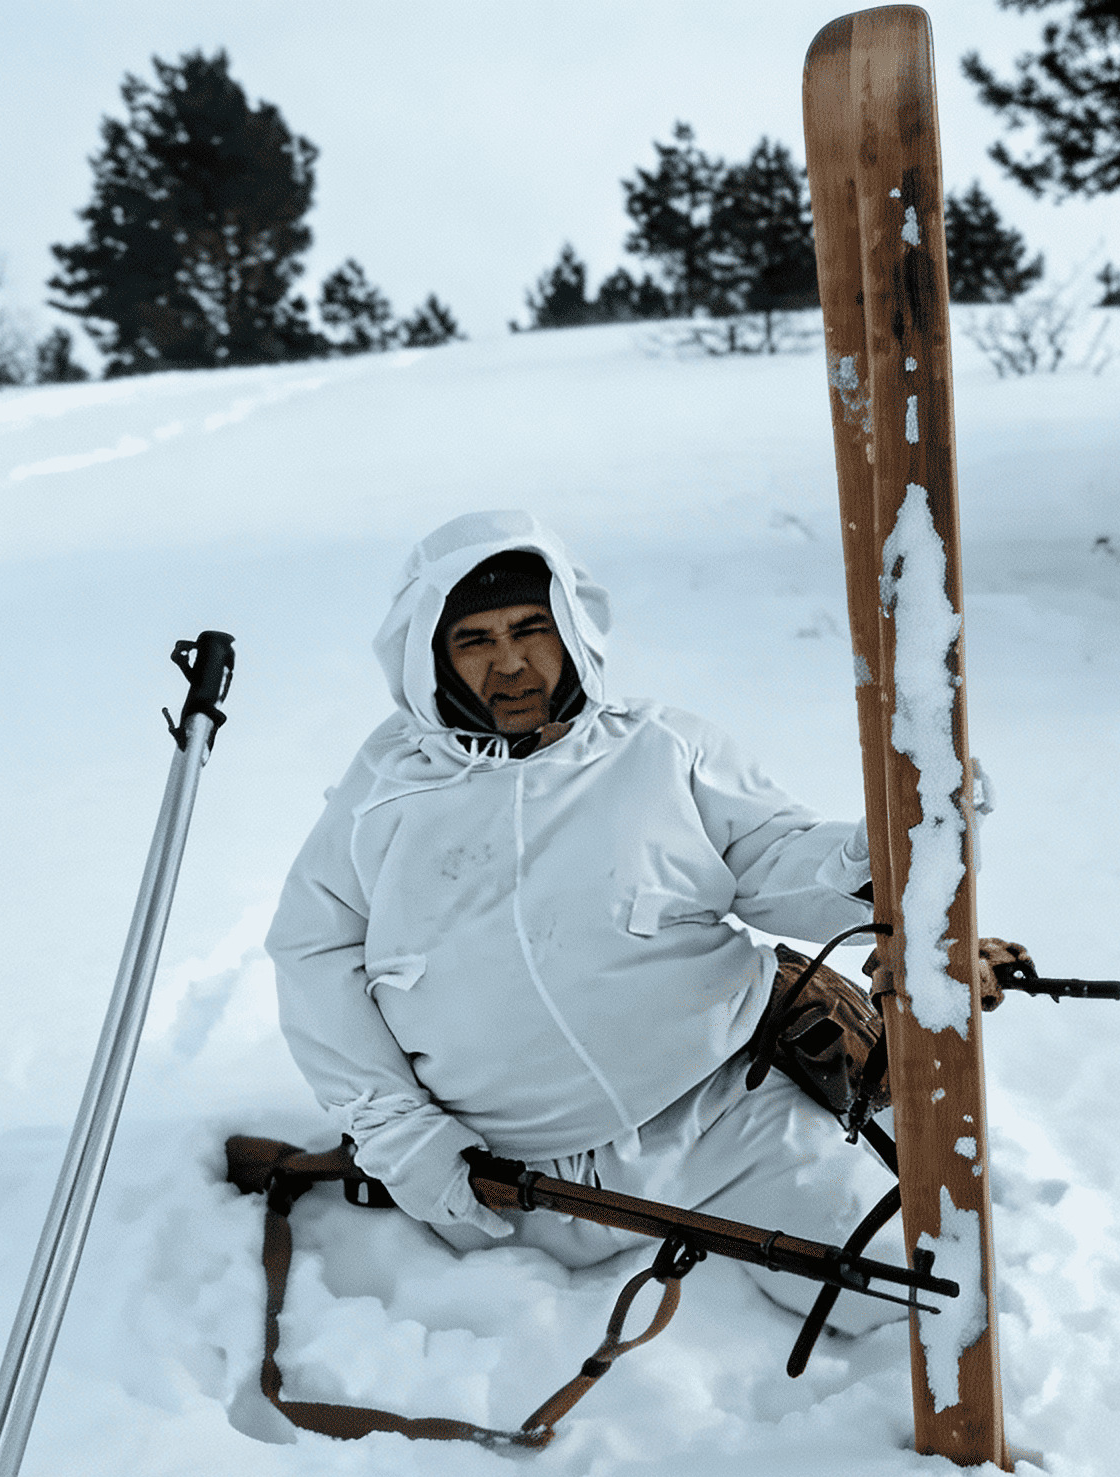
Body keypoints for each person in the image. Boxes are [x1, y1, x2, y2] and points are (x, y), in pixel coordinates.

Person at [266, 510, 898, 1317]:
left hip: (726, 1123)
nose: (510, 663)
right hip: (508, 1182)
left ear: (572, 628)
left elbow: (778, 858)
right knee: (501, 1359)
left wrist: (880, 856)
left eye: (531, 629)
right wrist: (401, 1136)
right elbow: (314, 961)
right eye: (474, 640)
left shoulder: (662, 750)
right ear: (430, 657)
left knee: (894, 1293)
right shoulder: (381, 799)